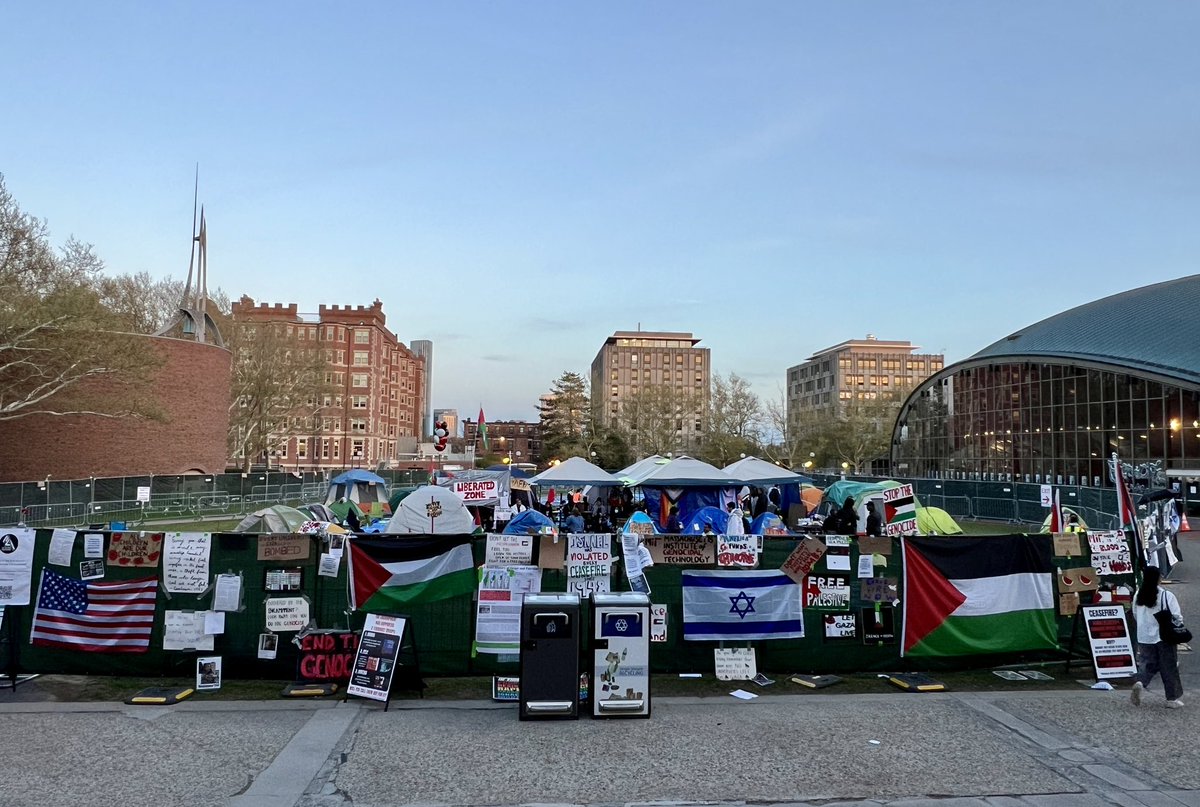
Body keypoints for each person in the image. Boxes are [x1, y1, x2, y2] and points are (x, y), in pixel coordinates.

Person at [1130, 565, 1185, 708]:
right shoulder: (1166, 595)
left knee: (1148, 663)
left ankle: (1140, 682)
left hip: (1144, 636)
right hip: (1164, 636)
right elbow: (1176, 617)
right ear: (1158, 578)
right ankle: (1171, 698)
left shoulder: (1138, 595)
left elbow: (1135, 614)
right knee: (1169, 666)